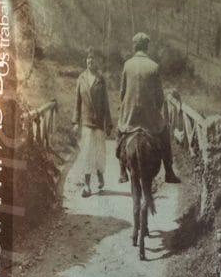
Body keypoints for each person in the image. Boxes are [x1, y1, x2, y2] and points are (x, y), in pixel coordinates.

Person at [115, 32, 178, 184]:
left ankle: (123, 171)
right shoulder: (154, 66)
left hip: (129, 116)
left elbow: (122, 93)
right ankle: (169, 171)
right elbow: (159, 97)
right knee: (164, 133)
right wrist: (154, 108)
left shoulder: (127, 65)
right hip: (149, 118)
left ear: (135, 46)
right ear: (146, 47)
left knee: (120, 132)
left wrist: (125, 106)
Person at [73, 51, 112, 197]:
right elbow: (77, 102)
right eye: (88, 58)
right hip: (87, 122)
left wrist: (108, 123)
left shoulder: (101, 80)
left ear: (97, 62)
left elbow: (106, 103)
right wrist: (75, 121)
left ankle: (100, 174)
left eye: (93, 59)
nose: (90, 61)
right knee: (87, 153)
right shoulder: (81, 78)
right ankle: (87, 185)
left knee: (100, 153)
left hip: (99, 123)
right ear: (86, 61)